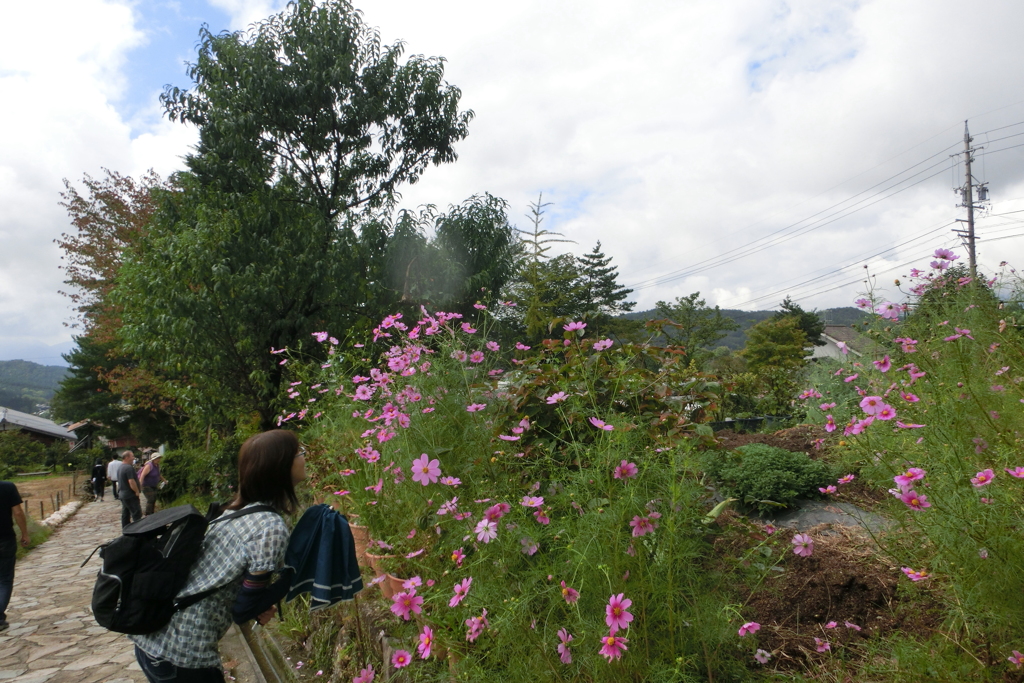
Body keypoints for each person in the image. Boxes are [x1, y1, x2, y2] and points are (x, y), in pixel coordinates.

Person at [132, 429, 304, 682]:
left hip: (154, 639)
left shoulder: (235, 512)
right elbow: (243, 610)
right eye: (299, 452)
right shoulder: (270, 527)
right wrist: (298, 574)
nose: (304, 457)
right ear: (280, 466)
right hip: (184, 654)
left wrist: (259, 600)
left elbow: (225, 582)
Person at [0, 480, 30, 632]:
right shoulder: (7, 487)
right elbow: (18, 512)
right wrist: (24, 533)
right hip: (5, 539)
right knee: (4, 579)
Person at [117, 451, 143, 529]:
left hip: (122, 494)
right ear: (127, 457)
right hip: (130, 494)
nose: (133, 458)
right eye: (132, 456)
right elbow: (131, 481)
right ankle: (138, 530)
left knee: (125, 514)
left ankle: (125, 529)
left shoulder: (120, 467)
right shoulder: (128, 468)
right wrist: (137, 491)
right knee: (136, 513)